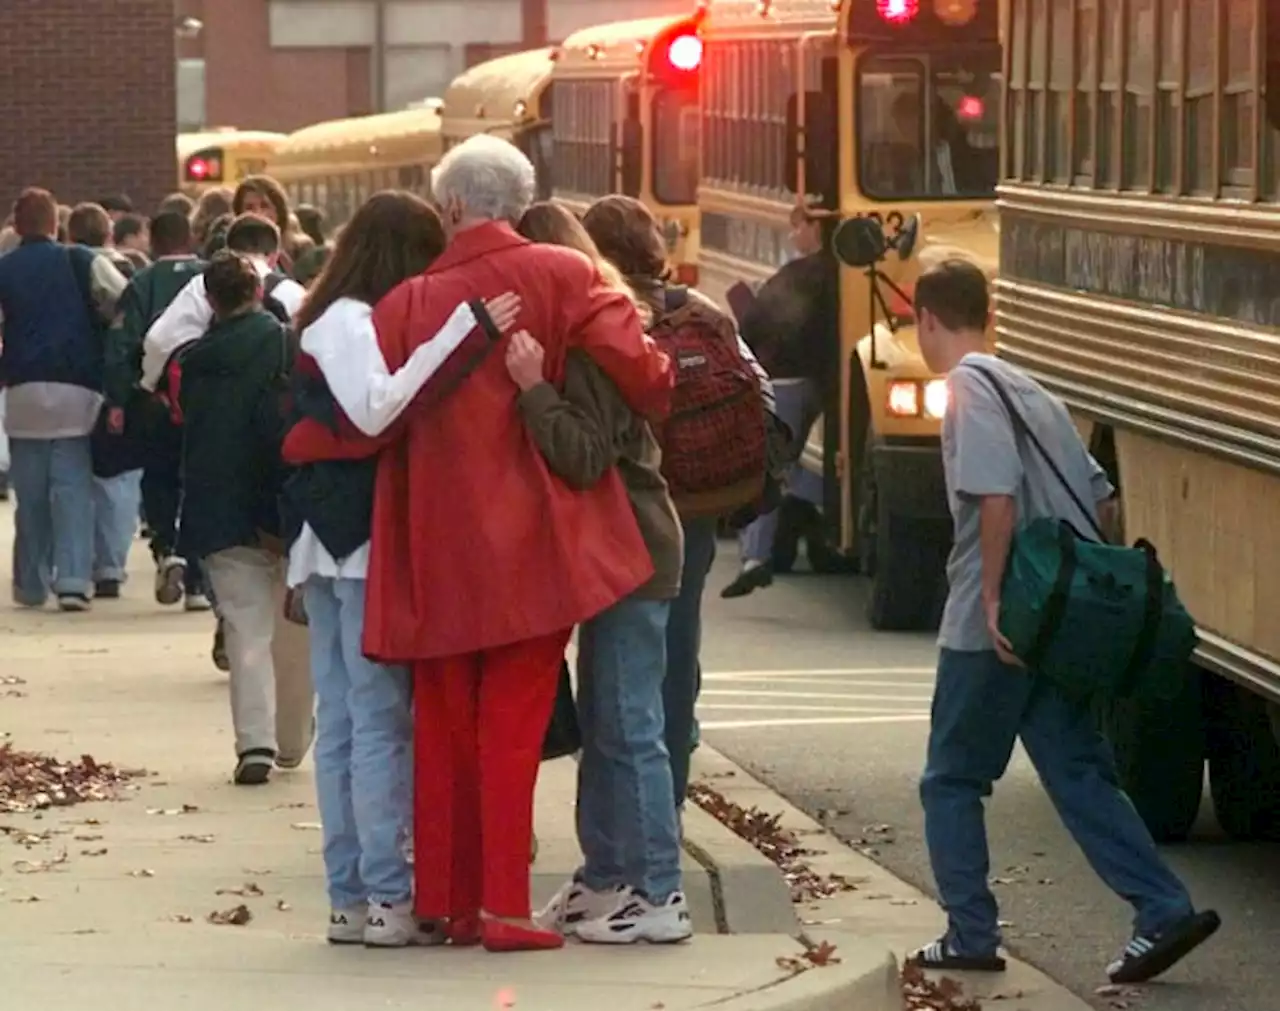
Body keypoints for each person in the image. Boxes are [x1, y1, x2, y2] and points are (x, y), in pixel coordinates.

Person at [281, 134, 673, 952]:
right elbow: (648, 376)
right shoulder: (570, 276)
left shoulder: (406, 302)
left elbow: (369, 412)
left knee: (442, 722)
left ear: (452, 206)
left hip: (431, 546)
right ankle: (502, 905)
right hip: (537, 546)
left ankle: (445, 901)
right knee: (513, 725)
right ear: (520, 200)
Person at [908, 259, 1220, 984]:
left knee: (951, 778)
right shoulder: (1031, 389)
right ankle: (1162, 906)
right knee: (1078, 769)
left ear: (927, 317)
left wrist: (991, 601)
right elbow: (1103, 500)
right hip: (1057, 626)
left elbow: (995, 500)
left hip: (998, 624)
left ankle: (970, 932)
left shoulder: (967, 391)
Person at [284, 190, 521, 947]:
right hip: (357, 551)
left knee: (346, 726)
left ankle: (350, 897)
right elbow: (379, 408)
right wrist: (464, 329)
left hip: (325, 545)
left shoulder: (327, 317)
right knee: (376, 723)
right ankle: (384, 895)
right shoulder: (351, 321)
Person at [514, 202, 690, 944]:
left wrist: (531, 389)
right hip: (629, 549)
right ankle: (608, 874)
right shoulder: (608, 325)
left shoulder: (584, 350)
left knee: (627, 725)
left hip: (630, 550)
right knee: (612, 719)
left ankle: (656, 888)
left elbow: (584, 453)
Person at [581, 193, 775, 810]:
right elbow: (758, 393)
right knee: (678, 643)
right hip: (694, 503)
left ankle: (623, 801)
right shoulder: (705, 313)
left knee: (614, 655)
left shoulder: (599, 313)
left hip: (622, 499)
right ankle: (671, 789)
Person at [175, 250, 312, 785]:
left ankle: (253, 741)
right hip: (282, 509)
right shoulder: (285, 345)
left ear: (209, 300)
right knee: (294, 631)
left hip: (220, 511)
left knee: (244, 628)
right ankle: (292, 738)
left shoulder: (195, 363)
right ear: (259, 292)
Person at [0, 188, 127, 610]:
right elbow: (122, 300)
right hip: (76, 388)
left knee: (31, 496)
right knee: (72, 489)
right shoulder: (82, 261)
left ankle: (30, 583)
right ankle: (72, 580)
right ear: (56, 224)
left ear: (17, 227)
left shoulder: (5, 268)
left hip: (22, 390)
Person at [723, 203, 839, 597]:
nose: (793, 236)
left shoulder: (796, 276)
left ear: (814, 227)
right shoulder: (843, 273)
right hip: (825, 383)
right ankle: (811, 504)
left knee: (768, 467)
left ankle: (755, 557)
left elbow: (755, 323)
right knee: (807, 461)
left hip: (785, 381)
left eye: (797, 227)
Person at [104, 210, 211, 612]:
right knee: (201, 484)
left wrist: (118, 399)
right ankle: (198, 578)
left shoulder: (143, 284)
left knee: (161, 475)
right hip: (208, 403)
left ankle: (168, 548)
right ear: (190, 238)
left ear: (153, 240)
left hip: (157, 402)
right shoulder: (212, 277)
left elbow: (121, 345)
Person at [67, 202, 144, 598]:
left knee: (76, 478)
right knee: (118, 479)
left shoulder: (62, 269)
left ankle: (77, 564)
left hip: (72, 381)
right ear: (109, 233)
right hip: (115, 385)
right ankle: (111, 565)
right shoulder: (130, 271)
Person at [141, 214, 305, 392]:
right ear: (274, 257)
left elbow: (158, 342)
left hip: (207, 403)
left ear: (226, 250)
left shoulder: (202, 285)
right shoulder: (294, 294)